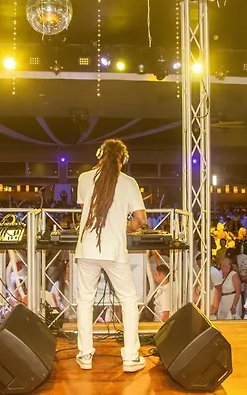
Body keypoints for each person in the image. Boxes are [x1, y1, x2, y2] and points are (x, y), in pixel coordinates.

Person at [75, 139, 147, 373]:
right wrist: (128, 227)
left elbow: (87, 209)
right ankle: (131, 357)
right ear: (123, 159)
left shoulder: (84, 178)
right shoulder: (128, 182)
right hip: (114, 250)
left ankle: (85, 355)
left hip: (87, 248)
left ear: (100, 155)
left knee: (85, 300)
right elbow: (140, 218)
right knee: (128, 299)